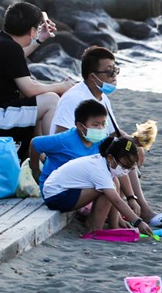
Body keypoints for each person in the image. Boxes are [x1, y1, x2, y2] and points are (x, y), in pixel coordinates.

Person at [49, 45, 161, 226]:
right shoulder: (74, 98)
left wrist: (136, 141)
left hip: (91, 154)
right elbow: (59, 137)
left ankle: (127, 209)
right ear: (93, 76)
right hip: (73, 159)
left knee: (130, 150)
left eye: (116, 70)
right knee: (120, 154)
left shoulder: (101, 96)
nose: (114, 76)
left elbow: (113, 132)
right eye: (109, 72)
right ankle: (142, 211)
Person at [0, 2, 73, 157]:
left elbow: (18, 59)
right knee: (51, 100)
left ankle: (39, 158)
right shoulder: (9, 48)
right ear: (32, 31)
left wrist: (39, 40)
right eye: (37, 28)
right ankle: (56, 159)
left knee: (39, 102)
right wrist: (61, 86)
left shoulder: (3, 42)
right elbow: (29, 88)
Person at [42, 136, 154, 236]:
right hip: (56, 196)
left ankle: (113, 225)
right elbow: (116, 200)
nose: (126, 171)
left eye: (130, 168)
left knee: (114, 182)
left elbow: (121, 177)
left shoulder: (105, 162)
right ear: (110, 158)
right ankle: (95, 229)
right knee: (108, 191)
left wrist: (131, 198)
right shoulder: (99, 169)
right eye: (124, 166)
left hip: (62, 191)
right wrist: (138, 222)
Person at [30, 99, 109, 192]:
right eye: (95, 125)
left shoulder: (102, 140)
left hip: (80, 183)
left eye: (103, 124)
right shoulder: (64, 140)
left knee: (112, 182)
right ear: (80, 126)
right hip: (57, 189)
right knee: (105, 189)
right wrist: (35, 170)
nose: (100, 128)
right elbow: (35, 143)